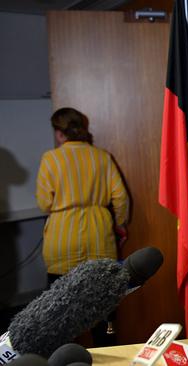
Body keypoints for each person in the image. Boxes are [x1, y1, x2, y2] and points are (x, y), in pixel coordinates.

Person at [35, 107, 129, 346]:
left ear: (59, 133)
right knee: (101, 307)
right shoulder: (101, 156)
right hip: (99, 236)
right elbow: (120, 197)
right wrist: (120, 224)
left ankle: (65, 357)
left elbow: (44, 202)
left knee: (58, 311)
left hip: (61, 239)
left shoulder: (51, 158)